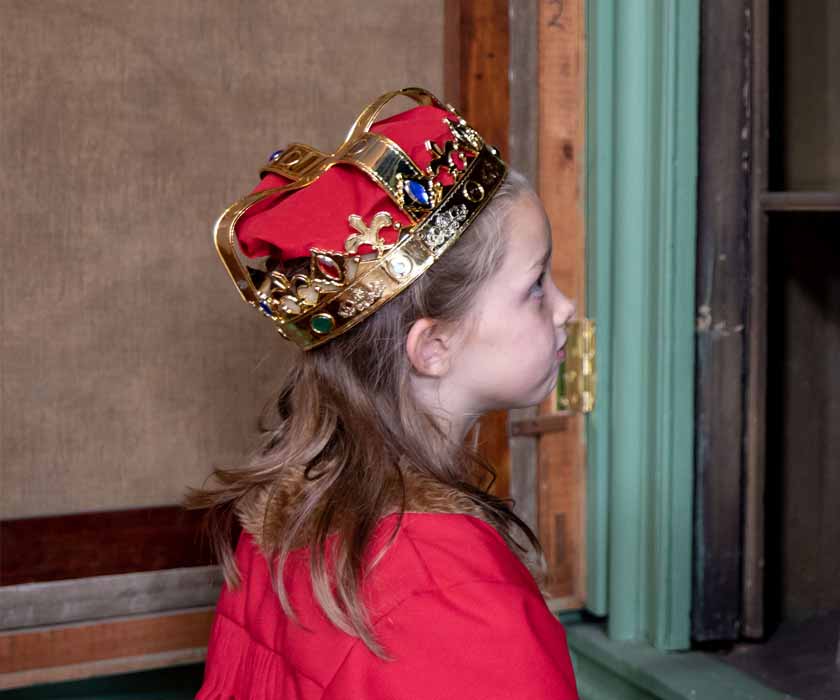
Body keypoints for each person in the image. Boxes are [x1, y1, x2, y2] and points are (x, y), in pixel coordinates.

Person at [186, 87, 578, 698]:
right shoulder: (456, 601)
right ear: (433, 347)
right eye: (535, 285)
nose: (565, 307)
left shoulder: (286, 521)